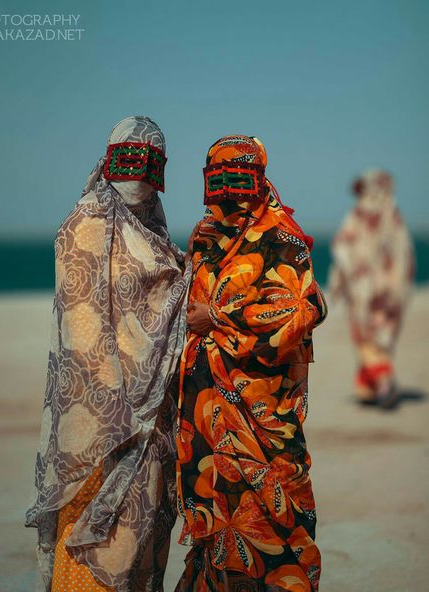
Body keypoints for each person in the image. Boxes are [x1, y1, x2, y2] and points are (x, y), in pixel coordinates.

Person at [26, 116, 190, 592]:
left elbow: (163, 289)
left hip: (153, 426)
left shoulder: (151, 229)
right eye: (131, 158)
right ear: (111, 158)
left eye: (153, 162)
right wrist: (118, 413)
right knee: (95, 557)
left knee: (141, 555)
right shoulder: (86, 224)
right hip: (103, 427)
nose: (141, 173)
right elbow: (83, 330)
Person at [175, 135, 327, 592]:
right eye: (217, 181)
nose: (228, 193)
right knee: (218, 527)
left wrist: (218, 318)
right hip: (207, 419)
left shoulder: (282, 238)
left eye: (239, 180)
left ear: (259, 180)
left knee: (273, 527)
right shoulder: (209, 238)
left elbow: (305, 310)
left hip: (260, 419)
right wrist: (191, 256)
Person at [328, 169, 414, 407]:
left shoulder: (359, 215)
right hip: (393, 292)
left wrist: (338, 283)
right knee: (383, 338)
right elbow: (405, 257)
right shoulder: (394, 217)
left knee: (366, 337)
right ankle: (368, 388)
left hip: (363, 290)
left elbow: (341, 249)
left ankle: (383, 382)